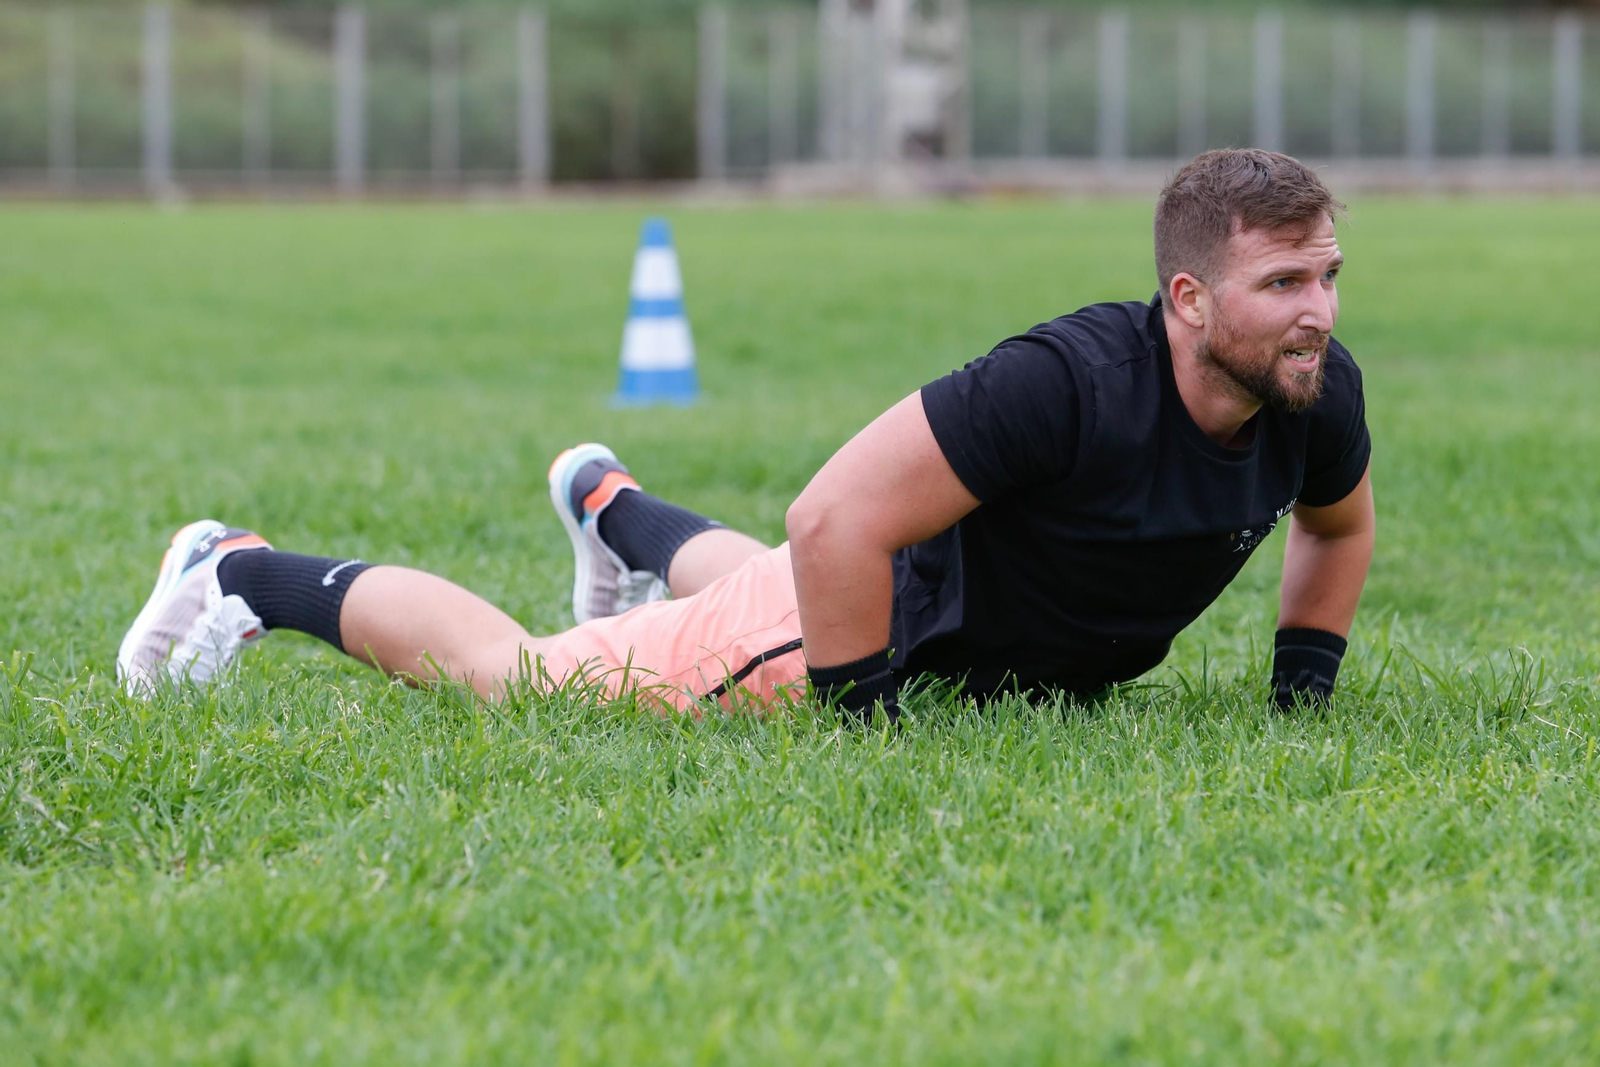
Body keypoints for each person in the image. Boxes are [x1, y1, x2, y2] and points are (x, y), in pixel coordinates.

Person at [118, 148, 1374, 718]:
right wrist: (861, 721)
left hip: (912, 603)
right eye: (1282, 286)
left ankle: (610, 506)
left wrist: (1300, 701)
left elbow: (1338, 523)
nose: (1313, 310)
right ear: (1189, 299)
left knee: (768, 586)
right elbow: (833, 522)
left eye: (1323, 274)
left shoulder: (1312, 389)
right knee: (529, 683)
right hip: (866, 626)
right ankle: (241, 572)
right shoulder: (1064, 383)